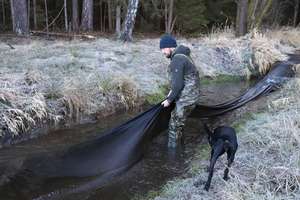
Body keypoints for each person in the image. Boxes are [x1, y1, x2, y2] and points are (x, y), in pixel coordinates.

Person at [160, 34, 201, 148]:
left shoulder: (177, 59)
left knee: (174, 125)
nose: (162, 52)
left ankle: (172, 155)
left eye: (163, 48)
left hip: (186, 99)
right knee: (180, 123)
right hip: (192, 97)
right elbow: (181, 80)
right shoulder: (183, 56)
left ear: (169, 47)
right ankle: (182, 147)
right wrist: (170, 94)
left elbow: (178, 85)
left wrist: (168, 100)